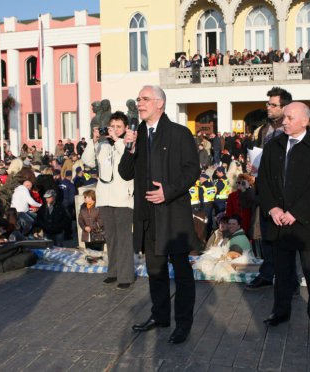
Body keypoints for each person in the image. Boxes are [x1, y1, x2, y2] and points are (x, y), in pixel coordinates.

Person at [119, 85, 200, 345]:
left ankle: (184, 324)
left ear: (159, 104)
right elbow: (125, 173)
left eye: (144, 99)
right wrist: (129, 148)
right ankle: (160, 315)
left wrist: (169, 191)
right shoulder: (138, 135)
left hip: (173, 216)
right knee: (155, 270)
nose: (139, 103)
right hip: (148, 216)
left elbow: (192, 171)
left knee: (181, 272)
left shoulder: (179, 133)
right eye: (138, 99)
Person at [257, 101, 310, 332]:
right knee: (281, 273)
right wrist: (272, 209)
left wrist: (296, 213)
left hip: (306, 224)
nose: (284, 121)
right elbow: (264, 181)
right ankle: (280, 311)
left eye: (290, 118)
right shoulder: (273, 146)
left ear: (304, 120)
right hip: (279, 221)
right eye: (284, 117)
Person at [82, 111, 135, 290]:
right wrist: (94, 140)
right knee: (110, 237)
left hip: (123, 198)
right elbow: (87, 161)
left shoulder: (129, 143)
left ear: (125, 128)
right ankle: (113, 272)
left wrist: (117, 139)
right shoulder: (102, 145)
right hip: (105, 197)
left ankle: (126, 275)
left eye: (119, 127)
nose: (115, 130)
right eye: (112, 126)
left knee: (124, 238)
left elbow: (128, 160)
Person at [247, 86, 293, 291]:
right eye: (268, 103)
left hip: (284, 193)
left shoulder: (291, 129)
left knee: (284, 240)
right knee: (265, 234)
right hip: (263, 189)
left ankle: (288, 280)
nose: (268, 108)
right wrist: (253, 166)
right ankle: (267, 273)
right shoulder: (264, 130)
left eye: (273, 105)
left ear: (285, 107)